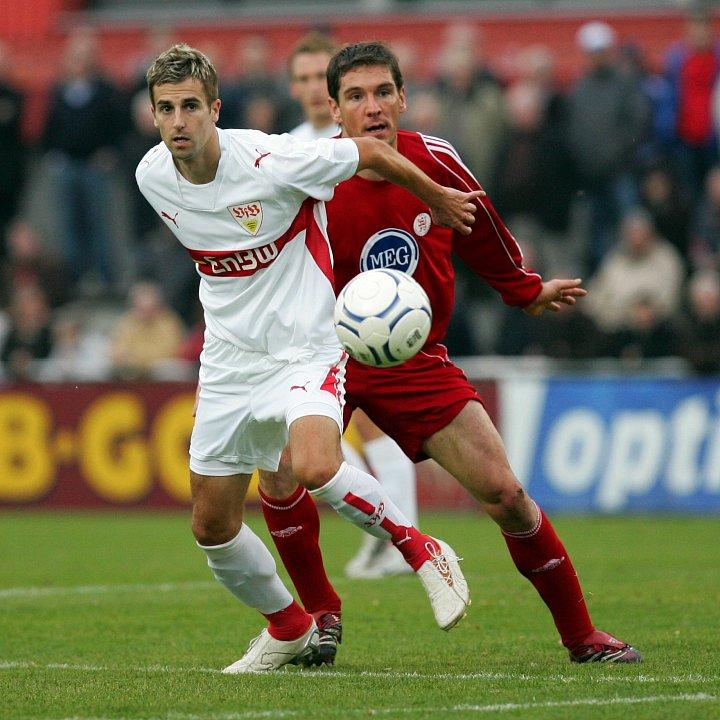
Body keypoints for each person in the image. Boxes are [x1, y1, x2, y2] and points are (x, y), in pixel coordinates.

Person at [259, 41, 642, 667]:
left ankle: (582, 637)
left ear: (404, 98)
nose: (372, 107)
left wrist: (524, 291)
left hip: (415, 362)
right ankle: (321, 616)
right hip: (322, 357)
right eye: (356, 96)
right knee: (279, 472)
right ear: (334, 109)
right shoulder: (310, 174)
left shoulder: (436, 161)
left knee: (506, 494)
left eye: (383, 92)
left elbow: (481, 227)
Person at [136, 43, 482, 674]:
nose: (179, 121)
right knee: (211, 526)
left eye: (191, 106)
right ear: (153, 115)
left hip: (304, 344)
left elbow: (371, 152)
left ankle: (421, 549)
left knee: (315, 464)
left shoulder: (271, 159)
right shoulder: (151, 176)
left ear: (215, 110)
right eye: (166, 109)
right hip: (229, 360)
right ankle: (289, 626)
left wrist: (434, 196)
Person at [285, 32, 418, 580]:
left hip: (371, 308)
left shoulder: (367, 140)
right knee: (323, 442)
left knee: (367, 428)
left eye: (321, 76)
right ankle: (389, 534)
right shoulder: (290, 149)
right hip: (310, 311)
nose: (313, 88)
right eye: (303, 79)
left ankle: (400, 536)